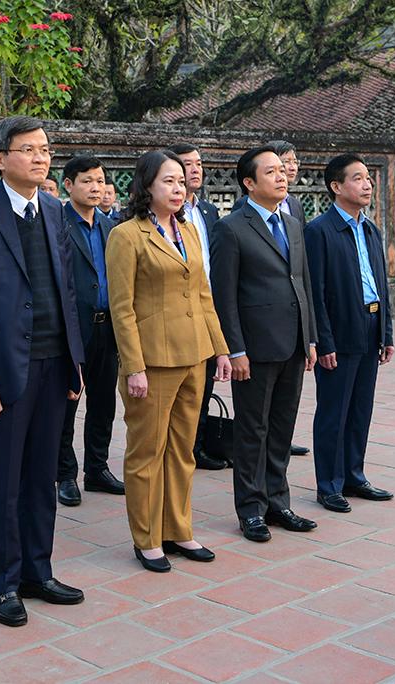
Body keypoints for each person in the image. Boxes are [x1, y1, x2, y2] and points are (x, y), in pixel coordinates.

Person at [0, 116, 86, 628]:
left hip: (52, 363)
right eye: (28, 150)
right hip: (2, 371)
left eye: (45, 149)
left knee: (41, 475)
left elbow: (66, 292)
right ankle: (2, 584)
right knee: (0, 480)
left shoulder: (54, 210)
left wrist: (75, 364)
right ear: (0, 158)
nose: (41, 157)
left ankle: (37, 571)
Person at [106, 150, 231, 573]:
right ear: (146, 187)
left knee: (182, 450)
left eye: (182, 181)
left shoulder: (190, 231)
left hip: (195, 355)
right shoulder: (126, 235)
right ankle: (146, 538)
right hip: (153, 362)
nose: (178, 188)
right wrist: (134, 366)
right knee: (147, 451)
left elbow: (203, 295)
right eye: (169, 182)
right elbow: (121, 308)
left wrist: (220, 349)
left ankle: (178, 528)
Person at [210, 145, 318, 542]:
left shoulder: (291, 224)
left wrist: (310, 337)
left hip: (292, 341)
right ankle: (251, 508)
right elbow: (225, 295)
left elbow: (302, 282)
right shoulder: (231, 227)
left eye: (282, 170)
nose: (282, 176)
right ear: (249, 183)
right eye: (271, 172)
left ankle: (278, 501)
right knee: (252, 430)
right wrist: (235, 349)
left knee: (282, 427)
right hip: (253, 347)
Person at [305, 154, 395, 514]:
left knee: (361, 408)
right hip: (339, 329)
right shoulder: (319, 231)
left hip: (370, 324)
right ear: (336, 186)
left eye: (368, 178)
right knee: (334, 411)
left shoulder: (370, 229)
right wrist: (323, 341)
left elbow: (382, 285)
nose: (367, 184)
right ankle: (329, 484)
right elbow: (316, 292)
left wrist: (386, 332)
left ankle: (354, 475)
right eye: (357, 178)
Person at [55, 156, 125, 507]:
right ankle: (64, 474)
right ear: (68, 185)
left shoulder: (111, 227)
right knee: (67, 403)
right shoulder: (56, 224)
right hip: (72, 329)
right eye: (87, 181)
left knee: (104, 403)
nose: (96, 187)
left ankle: (97, 469)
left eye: (100, 181)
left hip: (107, 327)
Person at [169, 143, 227, 472]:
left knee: (205, 383)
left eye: (199, 164)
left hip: (208, 304)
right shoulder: (166, 214)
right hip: (179, 309)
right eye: (187, 165)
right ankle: (182, 445)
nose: (195, 170)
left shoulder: (207, 211)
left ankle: (199, 443)